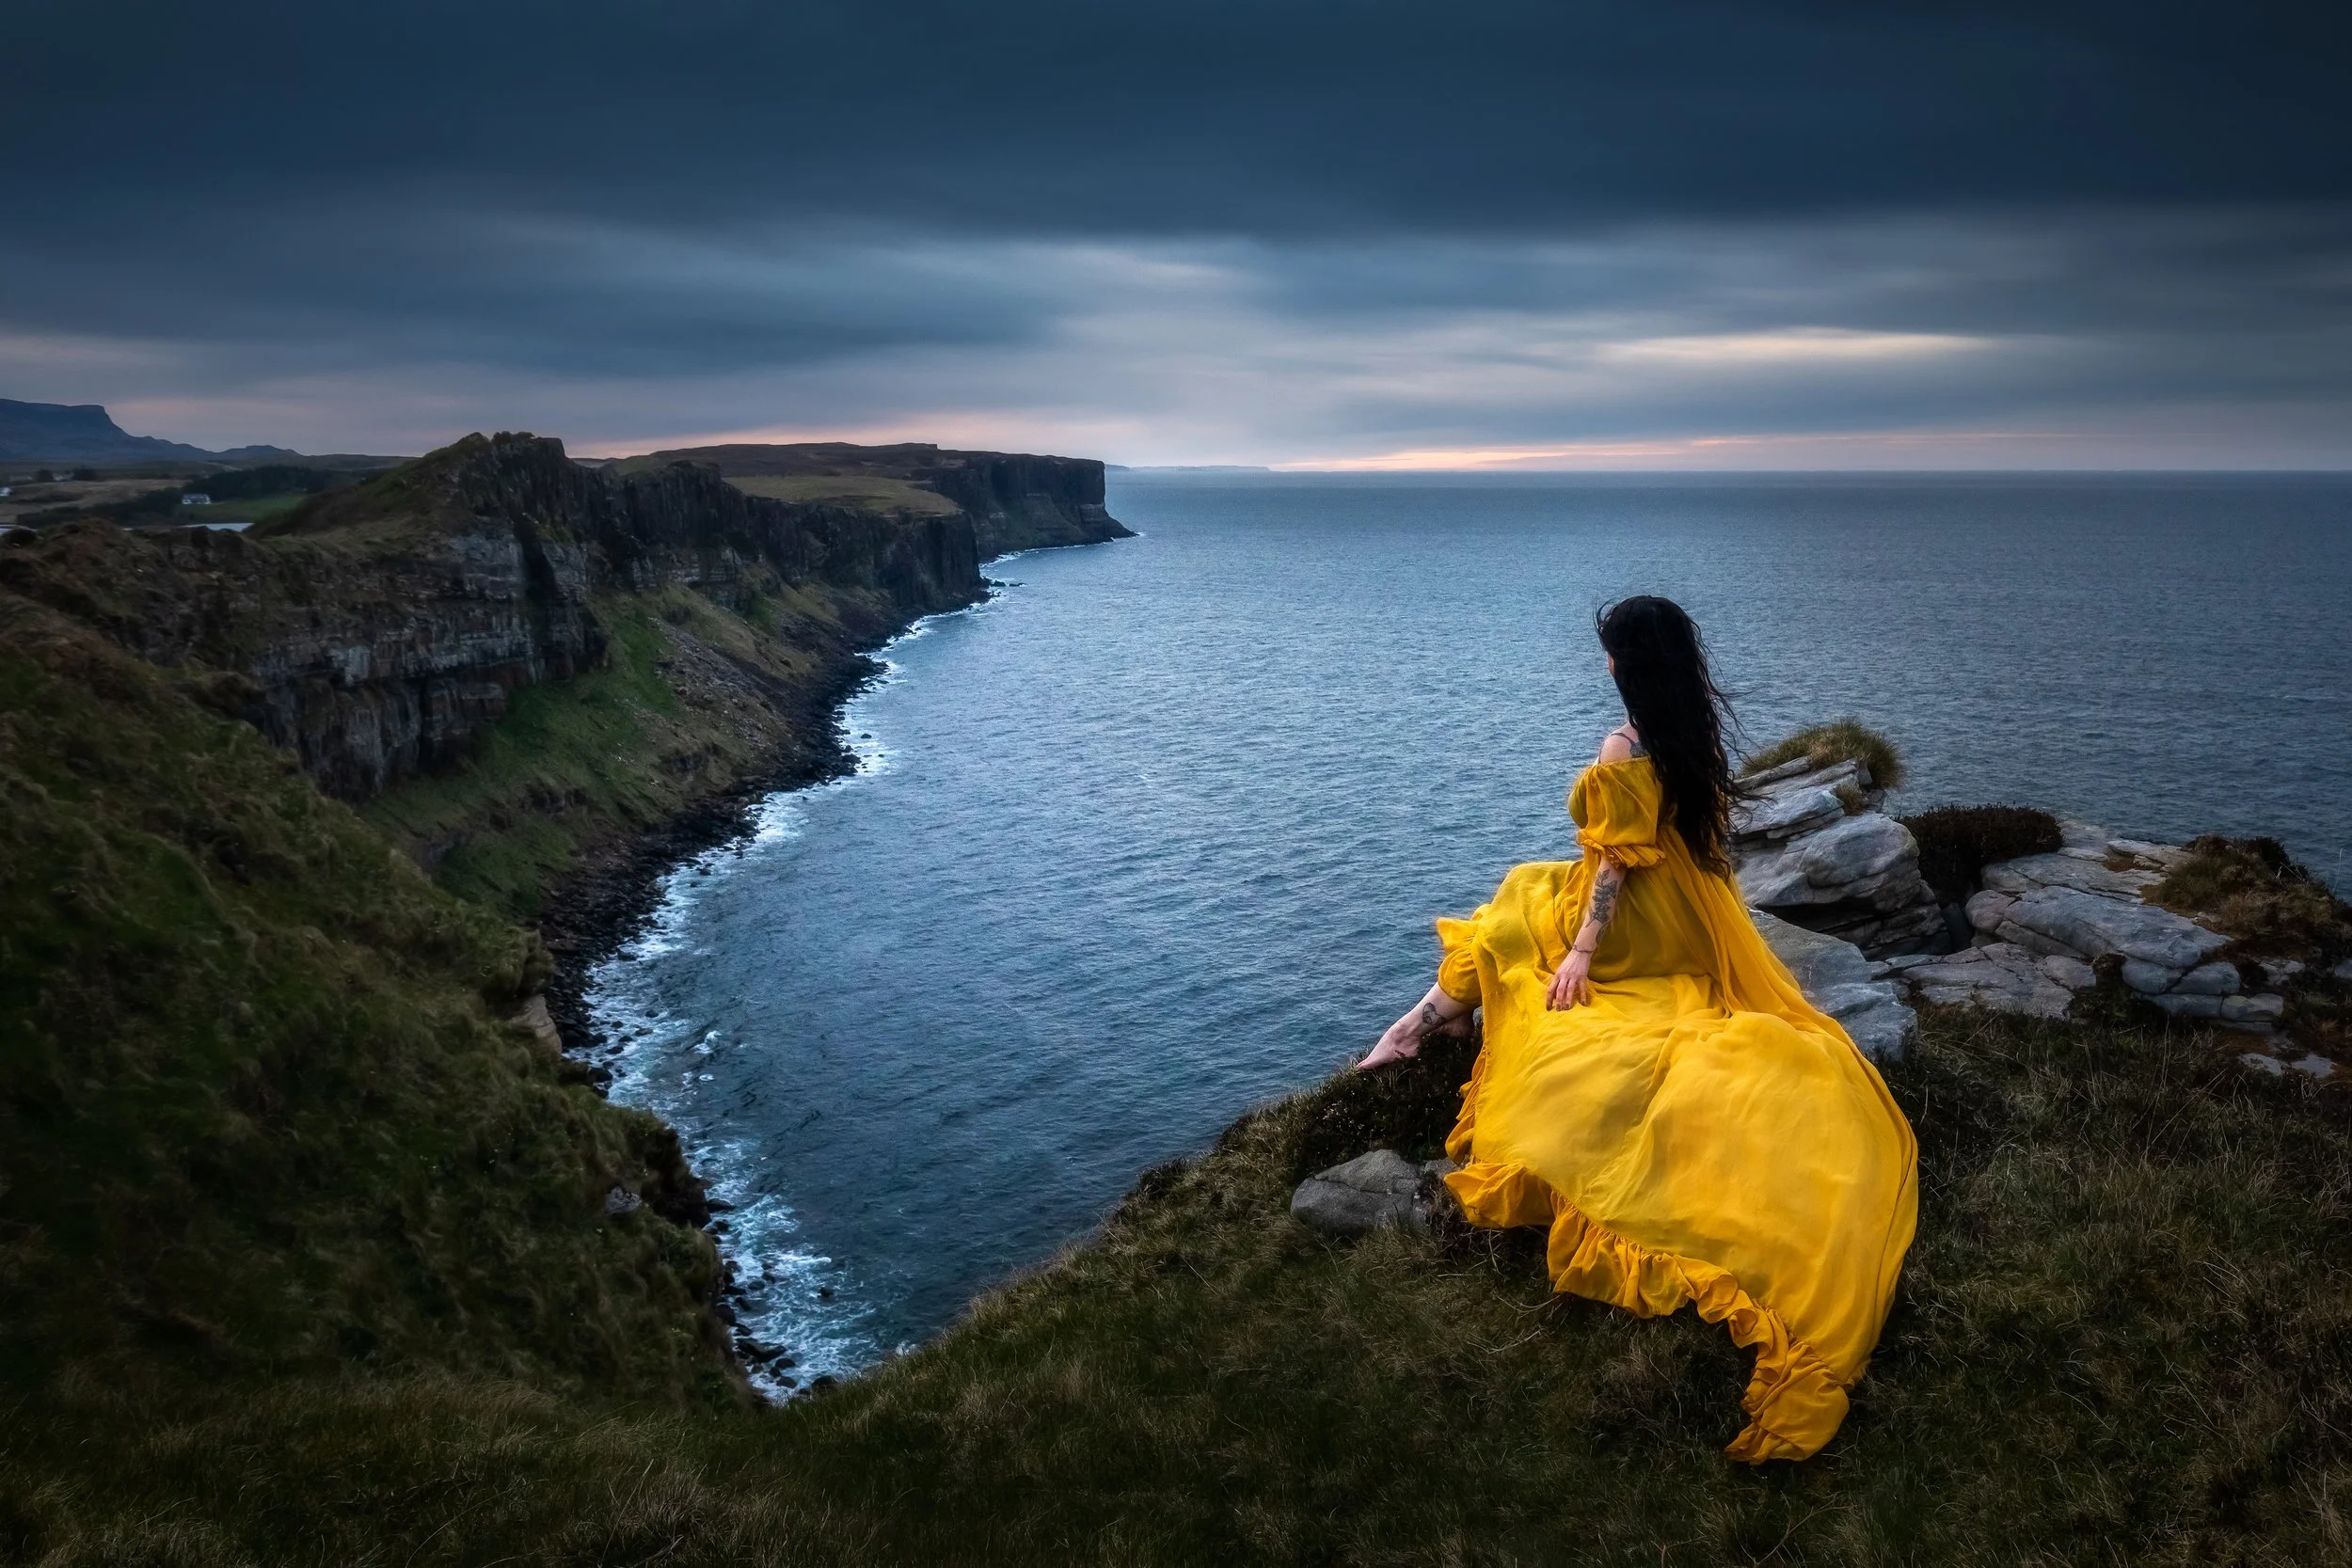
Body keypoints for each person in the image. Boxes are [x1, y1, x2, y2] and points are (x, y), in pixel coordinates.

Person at [1358, 595, 1917, 1464]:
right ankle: (1411, 1027)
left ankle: (1408, 1030)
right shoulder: (1691, 733)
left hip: (1630, 932)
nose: (1606, 664)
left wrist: (1584, 949)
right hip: (1691, 917)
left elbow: (1613, 863)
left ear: (1628, 663)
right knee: (1517, 897)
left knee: (1510, 923)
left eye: (1611, 653)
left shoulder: (1623, 743)